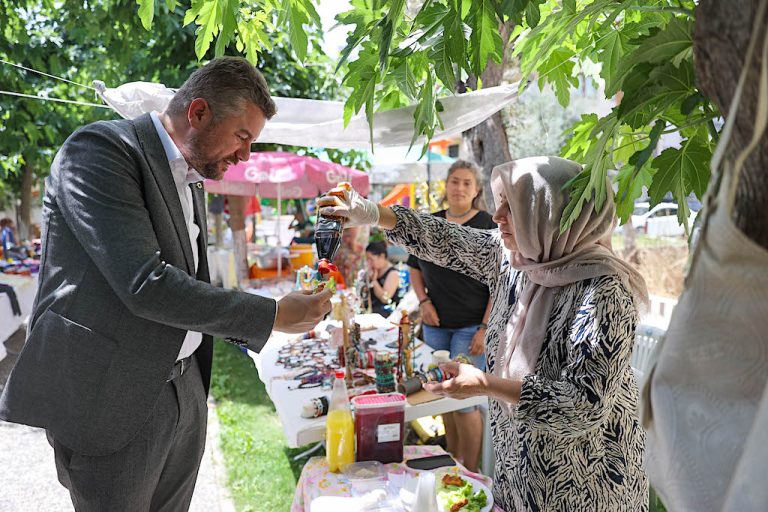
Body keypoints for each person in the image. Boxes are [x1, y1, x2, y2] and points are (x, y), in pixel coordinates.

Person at [0, 57, 332, 512]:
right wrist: (271, 315)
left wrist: (192, 391)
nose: (245, 156)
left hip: (184, 391)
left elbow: (190, 281)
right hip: (111, 399)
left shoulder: (193, 175)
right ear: (198, 113)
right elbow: (146, 285)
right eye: (242, 136)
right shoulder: (99, 151)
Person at [319, 156, 649, 511]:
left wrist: (486, 384)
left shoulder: (603, 291)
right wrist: (371, 212)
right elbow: (446, 239)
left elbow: (582, 405)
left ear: (554, 215)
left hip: (586, 482)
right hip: (519, 473)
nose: (497, 217)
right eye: (500, 203)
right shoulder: (516, 257)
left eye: (514, 206)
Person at [408, 160, 495, 472]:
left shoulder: (488, 226)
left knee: (465, 402)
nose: (459, 188)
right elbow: (413, 267)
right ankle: (453, 463)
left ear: (476, 190)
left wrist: (485, 327)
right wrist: (423, 302)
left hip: (472, 328)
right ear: (446, 185)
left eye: (466, 183)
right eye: (455, 181)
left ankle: (470, 473)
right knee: (440, 394)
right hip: (435, 326)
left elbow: (499, 283)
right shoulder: (430, 223)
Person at [362, 241, 401, 317]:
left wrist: (374, 281)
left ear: (382, 256)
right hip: (371, 312)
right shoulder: (373, 271)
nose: (369, 262)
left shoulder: (393, 273)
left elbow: (385, 299)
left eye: (371, 259)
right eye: (367, 259)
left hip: (386, 314)